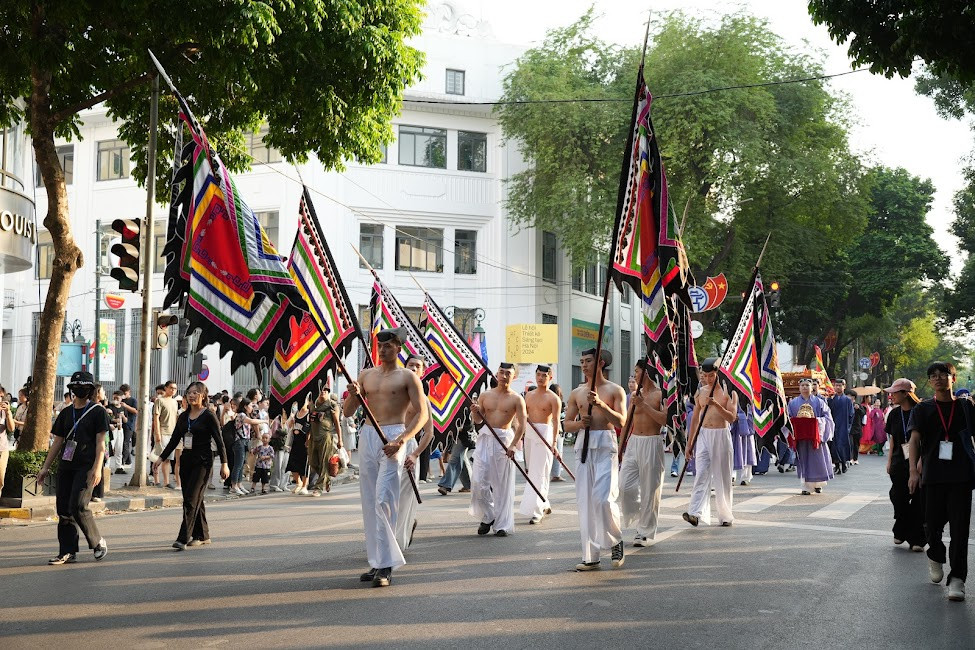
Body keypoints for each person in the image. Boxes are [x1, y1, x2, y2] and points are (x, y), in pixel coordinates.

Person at [343, 326, 428, 588]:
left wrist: (401, 440)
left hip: (393, 435)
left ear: (398, 348)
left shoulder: (408, 377)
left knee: (384, 499)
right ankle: (376, 560)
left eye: (388, 345)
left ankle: (387, 565)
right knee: (370, 502)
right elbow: (347, 412)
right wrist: (354, 395)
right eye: (380, 346)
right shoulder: (366, 375)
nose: (383, 349)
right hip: (368, 435)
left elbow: (422, 415)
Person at [908, 362, 975, 602]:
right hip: (933, 475)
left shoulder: (966, 407)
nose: (938, 378)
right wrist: (913, 472)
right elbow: (914, 440)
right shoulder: (923, 408)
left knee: (960, 530)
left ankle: (957, 579)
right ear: (930, 381)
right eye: (933, 376)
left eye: (943, 374)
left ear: (953, 378)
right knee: (931, 524)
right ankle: (935, 554)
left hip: (961, 476)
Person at [36, 371, 109, 564]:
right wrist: (45, 467)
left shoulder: (98, 412)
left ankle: (97, 542)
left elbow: (101, 443)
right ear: (71, 389)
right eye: (76, 386)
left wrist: (97, 468)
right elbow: (57, 442)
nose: (79, 389)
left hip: (86, 467)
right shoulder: (66, 413)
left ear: (90, 389)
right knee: (63, 509)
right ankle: (67, 551)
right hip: (66, 465)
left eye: (83, 387)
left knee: (78, 506)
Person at [564, 348, 626, 570]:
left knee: (603, 499)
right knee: (586, 502)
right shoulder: (577, 393)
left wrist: (600, 404)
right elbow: (566, 424)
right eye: (581, 361)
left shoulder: (615, 390)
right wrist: (580, 424)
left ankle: (616, 541)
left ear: (600, 363)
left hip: (605, 444)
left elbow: (621, 422)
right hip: (584, 444)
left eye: (588, 361)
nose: (583, 365)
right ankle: (590, 556)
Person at [153, 381, 229, 550]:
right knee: (195, 499)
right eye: (189, 392)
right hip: (186, 460)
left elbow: (219, 441)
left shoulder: (209, 415)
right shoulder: (183, 417)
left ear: (203, 395)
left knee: (190, 500)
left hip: (203, 462)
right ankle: (203, 535)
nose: (192, 395)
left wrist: (225, 464)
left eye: (195, 392)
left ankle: (183, 538)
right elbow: (174, 440)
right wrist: (160, 458)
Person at [470, 361, 527, 537]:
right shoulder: (485, 395)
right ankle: (489, 515)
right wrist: (475, 411)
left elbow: (522, 425)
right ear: (496, 374)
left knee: (502, 486)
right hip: (485, 439)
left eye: (508, 373)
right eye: (501, 372)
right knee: (478, 482)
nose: (504, 376)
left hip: (504, 441)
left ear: (514, 376)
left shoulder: (517, 399)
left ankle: (502, 524)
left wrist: (513, 445)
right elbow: (478, 421)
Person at [682, 358, 737, 528]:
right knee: (701, 473)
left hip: (721, 434)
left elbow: (732, 417)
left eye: (711, 375)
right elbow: (695, 419)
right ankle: (695, 513)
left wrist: (716, 405)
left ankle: (725, 515)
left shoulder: (729, 392)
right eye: (705, 376)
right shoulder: (701, 391)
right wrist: (689, 443)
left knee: (722, 476)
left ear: (718, 373)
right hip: (704, 435)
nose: (708, 379)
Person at [618, 360, 667, 547]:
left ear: (646, 372)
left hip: (652, 442)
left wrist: (644, 405)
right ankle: (640, 513)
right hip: (633, 442)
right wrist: (620, 448)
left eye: (637, 371)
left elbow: (664, 420)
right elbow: (627, 422)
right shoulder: (634, 395)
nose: (634, 375)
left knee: (650, 490)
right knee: (624, 486)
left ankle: (644, 531)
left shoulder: (660, 394)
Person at [397, 354, 436, 550]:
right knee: (385, 496)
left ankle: (398, 540)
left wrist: (415, 454)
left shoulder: (423, 401)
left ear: (422, 372)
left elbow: (429, 432)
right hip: (387, 447)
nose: (413, 368)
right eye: (410, 365)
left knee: (405, 497)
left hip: (408, 449)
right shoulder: (392, 393)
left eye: (417, 366)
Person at [884, 378, 924, 552]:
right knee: (897, 496)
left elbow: (928, 439)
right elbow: (893, 439)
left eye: (894, 392)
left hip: (920, 461)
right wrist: (889, 460)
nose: (891, 396)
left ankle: (917, 539)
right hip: (899, 462)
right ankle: (900, 528)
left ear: (906, 394)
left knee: (918, 500)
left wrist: (921, 462)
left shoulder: (922, 411)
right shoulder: (894, 414)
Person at [519, 365, 561, 525]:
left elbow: (556, 422)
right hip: (530, 434)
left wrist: (554, 443)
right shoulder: (528, 395)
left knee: (541, 472)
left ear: (550, 377)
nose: (540, 378)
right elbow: (523, 417)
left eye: (544, 375)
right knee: (532, 472)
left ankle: (537, 510)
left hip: (545, 434)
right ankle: (545, 503)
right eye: (538, 375)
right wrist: (519, 437)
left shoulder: (553, 398)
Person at [788, 378, 834, 495]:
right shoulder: (793, 403)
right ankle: (806, 486)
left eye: (807, 385)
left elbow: (828, 418)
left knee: (818, 460)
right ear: (799, 388)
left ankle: (818, 484)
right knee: (803, 461)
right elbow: (788, 419)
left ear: (812, 387)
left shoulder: (819, 402)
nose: (805, 387)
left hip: (816, 437)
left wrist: (817, 422)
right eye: (802, 385)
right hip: (801, 438)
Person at [307, 385, 342, 496]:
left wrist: (340, 440)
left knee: (323, 462)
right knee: (313, 462)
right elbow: (310, 422)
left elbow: (337, 423)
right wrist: (308, 437)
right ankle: (327, 478)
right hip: (314, 436)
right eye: (321, 389)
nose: (323, 391)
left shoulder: (332, 405)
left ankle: (318, 487)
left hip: (326, 437)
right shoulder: (313, 404)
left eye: (326, 390)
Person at [437, 414, 473, 495]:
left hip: (463, 437)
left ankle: (445, 485)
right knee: (461, 459)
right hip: (454, 436)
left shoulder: (466, 408)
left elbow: (470, 424)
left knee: (454, 459)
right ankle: (468, 485)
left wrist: (460, 429)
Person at [153, 381, 179, 489]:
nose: (173, 390)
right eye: (171, 388)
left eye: (175, 388)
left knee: (168, 458)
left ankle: (166, 482)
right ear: (166, 388)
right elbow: (156, 417)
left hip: (172, 433)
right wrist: (157, 433)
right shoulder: (159, 401)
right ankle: (156, 480)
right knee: (159, 457)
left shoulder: (175, 402)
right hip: (163, 432)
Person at [828, 379, 855, 474]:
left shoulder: (847, 400)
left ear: (844, 387)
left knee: (842, 446)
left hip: (843, 426)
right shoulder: (831, 399)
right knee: (834, 446)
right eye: (836, 385)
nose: (838, 387)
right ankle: (837, 465)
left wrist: (848, 427)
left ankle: (843, 463)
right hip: (833, 426)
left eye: (840, 385)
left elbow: (851, 414)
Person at [285, 397, 311, 495]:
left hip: (304, 442)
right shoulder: (295, 414)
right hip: (295, 442)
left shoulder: (309, 414)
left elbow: (310, 429)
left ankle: (304, 486)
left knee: (304, 465)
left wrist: (308, 440)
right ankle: (298, 482)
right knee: (292, 463)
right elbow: (289, 426)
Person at [732, 404, 757, 486]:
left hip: (747, 430)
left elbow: (754, 414)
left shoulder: (750, 399)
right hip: (733, 430)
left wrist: (740, 417)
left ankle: (746, 477)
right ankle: (731, 475)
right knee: (731, 452)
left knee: (747, 453)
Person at [550, 383, 567, 482]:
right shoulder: (558, 402)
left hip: (549, 428)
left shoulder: (547, 400)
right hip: (557, 429)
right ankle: (556, 474)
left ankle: (553, 473)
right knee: (558, 452)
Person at [118, 383, 138, 468]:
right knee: (122, 442)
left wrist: (126, 406)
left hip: (129, 424)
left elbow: (136, 411)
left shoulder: (133, 400)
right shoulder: (121, 400)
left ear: (129, 392)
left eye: (125, 393)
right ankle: (128, 461)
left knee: (125, 443)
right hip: (120, 424)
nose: (123, 395)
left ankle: (123, 461)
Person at [0, 387, 13, 495]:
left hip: (2, 449)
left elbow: (11, 428)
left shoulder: (4, 412)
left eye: (1, 396)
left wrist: (8, 413)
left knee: (0, 479)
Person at [849, 390, 865, 465]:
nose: (849, 397)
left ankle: (855, 458)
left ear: (854, 397)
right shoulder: (847, 405)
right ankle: (850, 458)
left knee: (856, 444)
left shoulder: (858, 405)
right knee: (850, 443)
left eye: (850, 396)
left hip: (857, 428)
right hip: (849, 428)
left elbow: (863, 414)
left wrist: (858, 409)